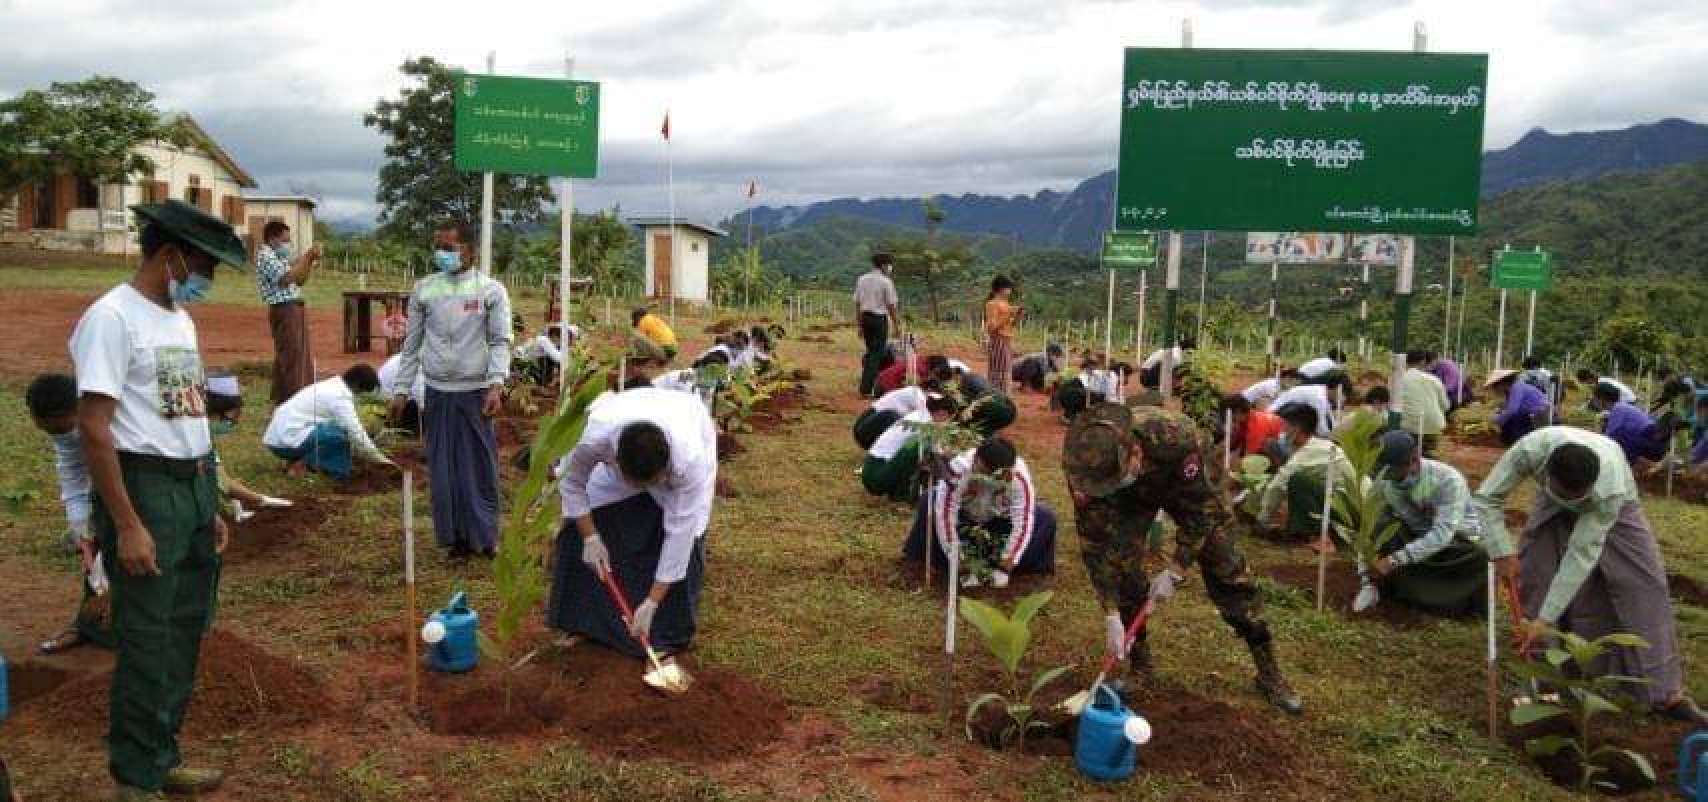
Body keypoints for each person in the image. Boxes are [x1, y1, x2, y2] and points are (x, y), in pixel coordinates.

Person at [69, 199, 244, 798]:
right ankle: (135, 778)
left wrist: (212, 493)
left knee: (185, 629)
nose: (208, 280)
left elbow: (188, 411)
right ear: (169, 255)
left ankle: (163, 756)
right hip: (145, 488)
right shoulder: (111, 319)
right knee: (147, 637)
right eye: (203, 265)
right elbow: (95, 426)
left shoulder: (177, 318)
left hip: (192, 484)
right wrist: (128, 523)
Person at [1064, 403, 1302, 714]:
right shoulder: (1086, 467)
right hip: (1129, 501)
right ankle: (1141, 668)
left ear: (1134, 450)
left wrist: (1176, 568)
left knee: (1228, 570)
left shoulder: (1176, 438)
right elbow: (1096, 545)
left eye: (1122, 473)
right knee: (1123, 573)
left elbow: (1204, 512)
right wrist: (1109, 610)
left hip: (1187, 490)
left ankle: (1269, 672)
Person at [1473, 427, 1707, 725]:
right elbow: (1486, 499)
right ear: (1548, 475)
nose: (1576, 505)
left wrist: (1545, 620)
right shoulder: (1530, 452)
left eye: (1580, 497)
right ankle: (1545, 677)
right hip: (1551, 501)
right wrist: (1501, 551)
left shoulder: (1608, 489)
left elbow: (1580, 556)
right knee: (1536, 572)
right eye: (1569, 495)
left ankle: (1664, 693)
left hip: (1618, 506)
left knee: (1642, 585)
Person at [550, 387, 716, 660]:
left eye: (652, 481)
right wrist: (591, 537)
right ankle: (582, 622)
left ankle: (664, 637)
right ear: (616, 461)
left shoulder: (689, 460)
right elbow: (572, 483)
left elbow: (679, 537)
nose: (645, 488)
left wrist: (652, 602)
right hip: (620, 439)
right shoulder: (591, 438)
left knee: (688, 532)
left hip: (685, 425)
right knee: (591, 513)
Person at [391, 220, 512, 558]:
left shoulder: (490, 291)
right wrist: (401, 389)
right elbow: (412, 344)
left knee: (478, 466)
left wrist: (495, 384)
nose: (442, 254)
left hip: (475, 391)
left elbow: (500, 341)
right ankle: (454, 539)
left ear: (469, 249)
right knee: (443, 468)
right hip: (438, 391)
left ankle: (485, 538)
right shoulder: (424, 290)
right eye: (439, 247)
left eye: (449, 247)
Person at [1355, 431, 1488, 615]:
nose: (1388, 478)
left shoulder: (1448, 481)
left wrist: (1393, 561)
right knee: (1386, 526)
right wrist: (1366, 576)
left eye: (1393, 473)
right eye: (1383, 473)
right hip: (1415, 537)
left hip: (1455, 542)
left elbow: (1443, 534)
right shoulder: (1384, 483)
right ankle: (1389, 588)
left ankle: (1444, 599)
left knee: (1478, 556)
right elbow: (1369, 527)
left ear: (1414, 461)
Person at [26, 373, 111, 655]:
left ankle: (130, 631)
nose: (61, 436)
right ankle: (89, 624)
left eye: (63, 428)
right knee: (95, 554)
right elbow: (72, 469)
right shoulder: (65, 428)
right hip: (107, 487)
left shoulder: (117, 421)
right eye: (51, 431)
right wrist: (81, 527)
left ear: (77, 409)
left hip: (144, 478)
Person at [902, 437, 1055, 587]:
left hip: (999, 524)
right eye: (984, 472)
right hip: (964, 523)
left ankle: (1014, 566)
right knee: (930, 499)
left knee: (1045, 517)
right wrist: (958, 561)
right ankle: (923, 561)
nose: (988, 479)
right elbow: (945, 516)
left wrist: (1007, 563)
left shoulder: (1018, 477)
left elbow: (1023, 520)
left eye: (996, 476)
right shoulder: (958, 470)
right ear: (975, 459)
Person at [264, 365, 395, 481]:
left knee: (336, 431)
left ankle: (296, 461)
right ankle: (307, 466)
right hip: (285, 441)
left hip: (278, 438)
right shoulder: (339, 397)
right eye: (361, 391)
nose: (359, 395)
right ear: (356, 384)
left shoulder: (330, 386)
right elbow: (355, 432)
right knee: (340, 438)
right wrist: (380, 459)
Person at [1257, 404, 1361, 542]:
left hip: (1347, 512)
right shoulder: (1316, 446)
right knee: (1300, 483)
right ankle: (1303, 529)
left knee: (1297, 480)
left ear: (1296, 429)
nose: (1282, 431)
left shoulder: (1310, 451)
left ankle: (1312, 533)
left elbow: (1278, 485)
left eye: (1285, 426)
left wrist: (1262, 519)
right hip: (1345, 504)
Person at [203, 372, 293, 521]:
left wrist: (234, 494)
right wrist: (260, 500)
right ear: (213, 412)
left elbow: (219, 475)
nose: (232, 424)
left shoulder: (205, 436)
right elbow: (222, 481)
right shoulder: (194, 440)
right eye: (230, 419)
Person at [253, 220, 321, 404]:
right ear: (273, 239)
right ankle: (294, 400)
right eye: (285, 240)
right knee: (292, 357)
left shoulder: (278, 257)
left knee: (296, 355)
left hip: (294, 307)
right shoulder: (265, 256)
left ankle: (283, 399)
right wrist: (307, 257)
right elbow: (286, 279)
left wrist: (309, 260)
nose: (288, 244)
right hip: (284, 309)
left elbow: (299, 280)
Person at [862, 393, 958, 501]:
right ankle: (901, 494)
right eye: (948, 419)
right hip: (876, 475)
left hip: (875, 469)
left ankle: (900, 491)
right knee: (919, 447)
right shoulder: (924, 424)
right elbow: (936, 454)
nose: (946, 423)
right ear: (942, 413)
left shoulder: (919, 415)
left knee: (921, 449)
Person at [855, 252, 902, 397]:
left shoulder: (862, 279)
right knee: (877, 353)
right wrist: (897, 324)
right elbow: (891, 305)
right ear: (883, 266)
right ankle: (866, 389)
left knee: (871, 352)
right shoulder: (886, 282)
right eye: (889, 265)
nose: (890, 268)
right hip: (879, 320)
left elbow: (857, 303)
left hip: (865, 318)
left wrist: (859, 324)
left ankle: (872, 383)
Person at [1593, 382, 1673, 469]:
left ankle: (1651, 465)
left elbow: (1607, 439)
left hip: (1653, 442)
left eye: (1594, 398)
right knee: (1616, 436)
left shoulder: (1618, 409)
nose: (1593, 401)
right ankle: (1645, 464)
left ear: (1601, 399)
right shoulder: (1620, 407)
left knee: (1617, 439)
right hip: (1652, 441)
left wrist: (1597, 428)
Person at [853, 380, 942, 450]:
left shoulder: (912, 390)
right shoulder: (917, 394)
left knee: (905, 423)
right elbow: (926, 419)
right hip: (865, 429)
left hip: (866, 425)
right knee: (903, 424)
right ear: (929, 390)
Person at [1396, 350, 1450, 456]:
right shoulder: (1434, 380)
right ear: (1423, 362)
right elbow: (1446, 406)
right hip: (1433, 426)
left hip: (1409, 427)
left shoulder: (1399, 379)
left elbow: (1393, 406)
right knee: (1430, 453)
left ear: (1406, 362)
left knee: (1408, 454)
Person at [1488, 369, 1551, 446]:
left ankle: (1515, 442)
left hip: (1538, 415)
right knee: (1508, 421)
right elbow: (1509, 407)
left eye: (1495, 386)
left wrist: (1497, 419)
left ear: (1501, 383)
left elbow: (1512, 410)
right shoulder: (1513, 389)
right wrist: (1500, 412)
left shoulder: (1516, 388)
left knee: (1511, 425)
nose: (1495, 389)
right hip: (1530, 414)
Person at [1223, 394, 1285, 463]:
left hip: (1283, 450)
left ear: (1238, 412)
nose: (1230, 420)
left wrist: (1232, 464)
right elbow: (1234, 439)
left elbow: (1247, 458)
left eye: (1231, 417)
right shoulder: (1247, 417)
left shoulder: (1255, 428)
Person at [983, 276, 1020, 393]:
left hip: (1006, 341)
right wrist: (1009, 314)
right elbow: (992, 327)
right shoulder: (992, 304)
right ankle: (997, 395)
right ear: (1001, 289)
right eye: (1009, 288)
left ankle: (1003, 395)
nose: (1010, 290)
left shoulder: (1006, 304)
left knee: (1005, 371)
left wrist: (1018, 316)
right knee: (999, 371)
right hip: (998, 341)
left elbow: (1010, 326)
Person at [377, 352, 426, 436]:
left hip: (385, 400)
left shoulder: (409, 355)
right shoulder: (420, 362)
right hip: (390, 406)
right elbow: (421, 400)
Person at [1270, 379, 1337, 436]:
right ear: (1335, 390)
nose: (1342, 400)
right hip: (1275, 416)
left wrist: (1335, 431)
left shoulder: (1321, 390)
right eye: (1343, 396)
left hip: (1282, 413)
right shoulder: (1318, 397)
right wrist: (1332, 436)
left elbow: (1329, 415)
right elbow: (1320, 429)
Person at [876, 352, 952, 396]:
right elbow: (909, 388)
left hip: (883, 380)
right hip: (884, 387)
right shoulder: (919, 370)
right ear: (936, 370)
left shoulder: (922, 361)